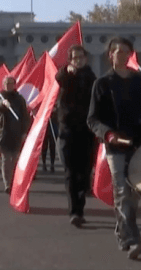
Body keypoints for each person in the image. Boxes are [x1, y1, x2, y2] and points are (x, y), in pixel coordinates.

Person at [87, 37, 141, 260]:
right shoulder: (102, 83)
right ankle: (133, 240)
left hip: (137, 144)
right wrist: (108, 134)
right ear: (110, 55)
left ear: (130, 54)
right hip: (115, 147)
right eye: (117, 51)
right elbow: (92, 119)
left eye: (126, 51)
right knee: (121, 191)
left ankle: (122, 230)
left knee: (133, 194)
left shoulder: (139, 81)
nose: (121, 55)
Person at [55, 45, 97, 228]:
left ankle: (80, 205)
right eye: (75, 58)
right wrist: (66, 70)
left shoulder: (91, 77)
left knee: (85, 172)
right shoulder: (66, 75)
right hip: (68, 130)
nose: (78, 60)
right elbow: (59, 78)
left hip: (87, 130)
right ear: (70, 60)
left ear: (86, 59)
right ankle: (75, 211)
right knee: (71, 172)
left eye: (81, 57)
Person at [0, 76, 31, 194]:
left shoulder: (19, 99)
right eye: (6, 83)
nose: (8, 85)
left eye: (10, 83)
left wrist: (24, 131)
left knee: (14, 159)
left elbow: (25, 117)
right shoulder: (0, 97)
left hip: (16, 133)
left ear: (14, 84)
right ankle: (7, 184)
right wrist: (3, 104)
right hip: (3, 134)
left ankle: (14, 181)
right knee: (5, 160)